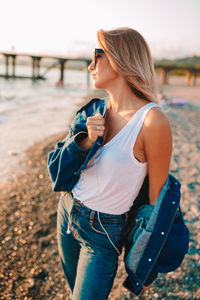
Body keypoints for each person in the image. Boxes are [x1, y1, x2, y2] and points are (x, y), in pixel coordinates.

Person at [48, 27, 173, 299]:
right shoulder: (96, 109)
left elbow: (156, 203)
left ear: (120, 58)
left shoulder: (152, 121)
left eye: (97, 55)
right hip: (68, 212)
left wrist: (145, 268)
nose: (91, 66)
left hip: (102, 233)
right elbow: (58, 169)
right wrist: (83, 141)